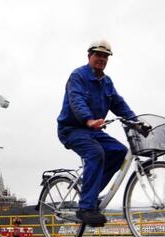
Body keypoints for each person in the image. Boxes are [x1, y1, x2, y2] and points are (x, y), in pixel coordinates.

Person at [57, 39, 136, 226]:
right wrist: (89, 120)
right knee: (95, 153)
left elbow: (119, 104)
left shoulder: (107, 82)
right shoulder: (78, 76)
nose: (101, 59)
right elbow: (76, 100)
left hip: (93, 130)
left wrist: (137, 122)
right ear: (89, 56)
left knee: (120, 153)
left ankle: (89, 195)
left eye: (105, 56)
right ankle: (86, 207)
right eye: (98, 55)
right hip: (72, 129)